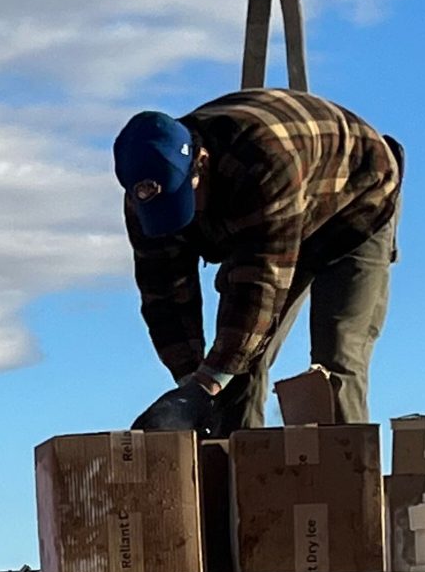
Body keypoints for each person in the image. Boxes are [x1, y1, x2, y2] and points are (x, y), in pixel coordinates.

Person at [113, 88, 403, 434]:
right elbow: (164, 297)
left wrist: (207, 384)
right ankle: (238, 479)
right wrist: (191, 385)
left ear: (201, 163)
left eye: (185, 204)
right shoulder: (143, 200)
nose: (184, 221)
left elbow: (258, 290)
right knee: (233, 374)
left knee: (335, 361)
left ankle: (345, 480)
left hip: (357, 200)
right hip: (275, 208)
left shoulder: (262, 162)